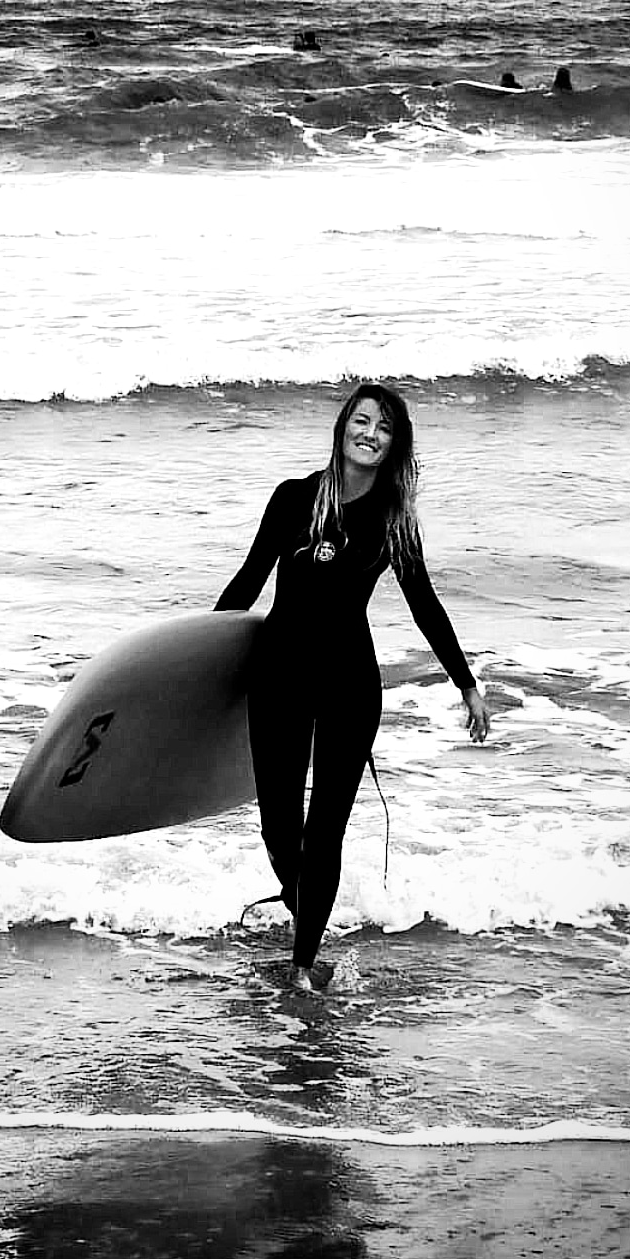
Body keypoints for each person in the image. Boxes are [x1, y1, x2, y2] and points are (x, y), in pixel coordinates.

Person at [215, 383, 490, 990]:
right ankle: (306, 915)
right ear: (342, 427)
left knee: (325, 832)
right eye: (362, 421)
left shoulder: (392, 520)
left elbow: (424, 605)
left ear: (395, 444)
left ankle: (302, 967)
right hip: (279, 675)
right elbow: (248, 582)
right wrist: (196, 664)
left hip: (349, 684)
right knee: (279, 828)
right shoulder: (294, 498)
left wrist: (466, 684)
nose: (371, 434)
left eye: (385, 428)